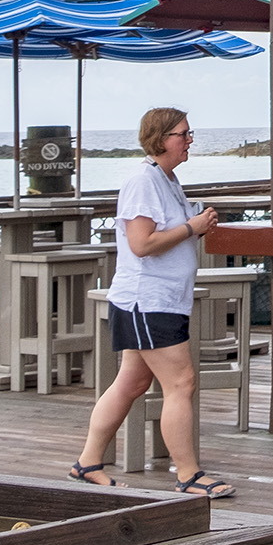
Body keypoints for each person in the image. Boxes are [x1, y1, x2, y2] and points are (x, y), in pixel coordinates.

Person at [70, 107, 231, 497]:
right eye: (183, 134)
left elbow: (166, 235)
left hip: (163, 300)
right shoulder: (143, 181)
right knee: (182, 383)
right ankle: (188, 475)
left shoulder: (168, 180)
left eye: (191, 133)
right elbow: (141, 244)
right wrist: (192, 227)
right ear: (160, 139)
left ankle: (87, 463)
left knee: (132, 382)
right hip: (147, 300)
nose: (189, 139)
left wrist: (194, 226)